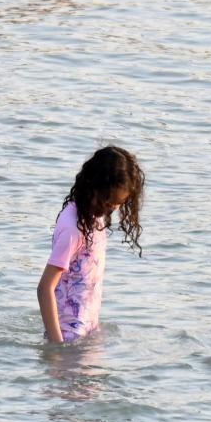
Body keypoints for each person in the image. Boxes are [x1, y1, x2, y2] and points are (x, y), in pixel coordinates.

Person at [37, 146, 145, 344]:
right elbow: (45, 288)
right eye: (112, 202)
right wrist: (57, 347)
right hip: (68, 337)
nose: (115, 208)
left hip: (86, 332)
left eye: (119, 203)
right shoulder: (73, 228)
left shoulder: (93, 217)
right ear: (97, 189)